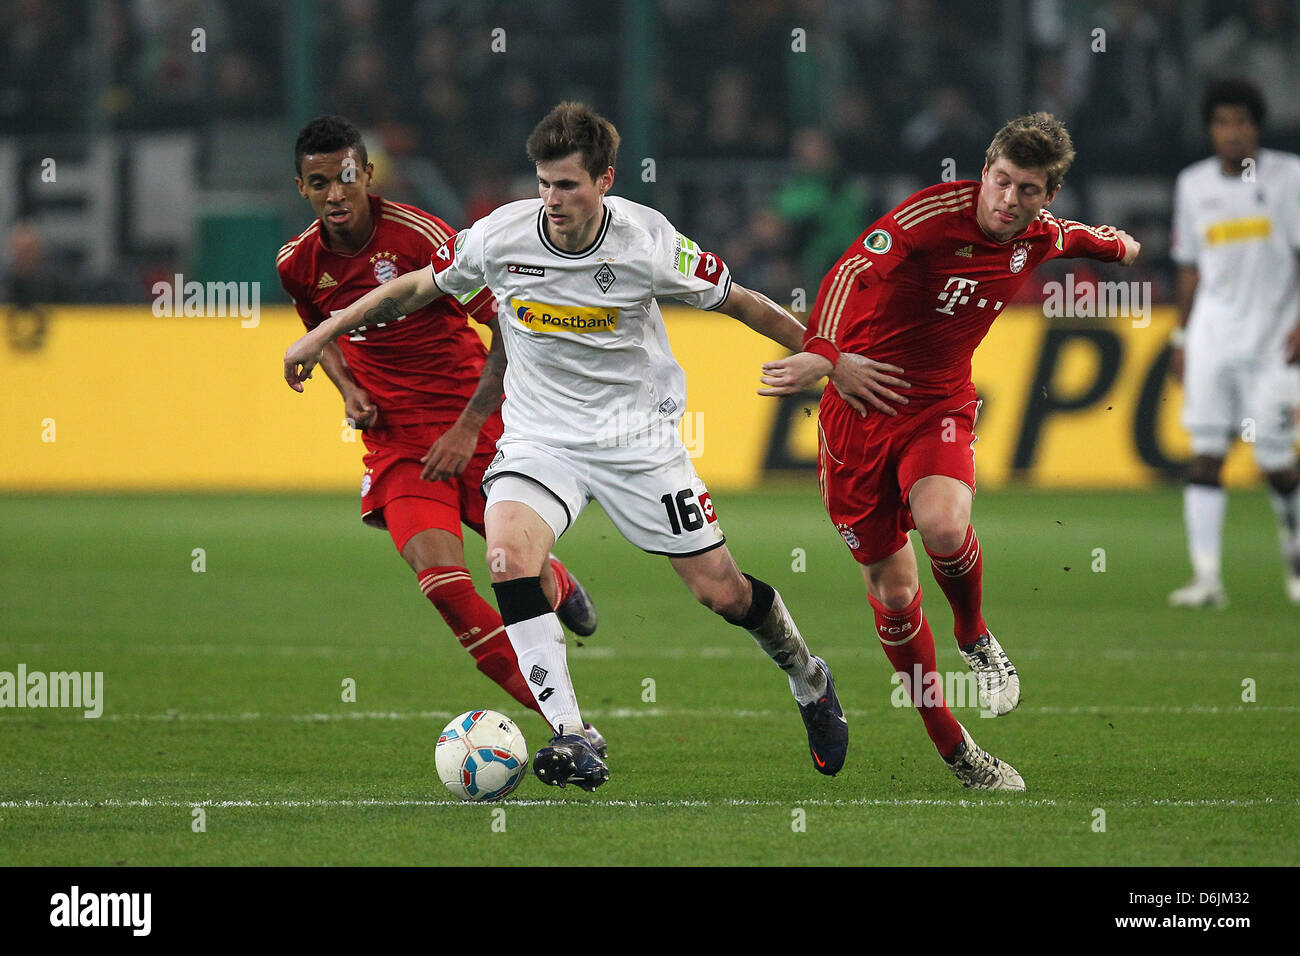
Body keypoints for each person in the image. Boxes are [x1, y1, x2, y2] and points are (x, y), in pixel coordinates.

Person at [284, 102, 857, 792]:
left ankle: (808, 677)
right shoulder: (501, 235)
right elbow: (415, 288)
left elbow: (743, 301)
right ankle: (571, 734)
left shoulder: (649, 243)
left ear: (605, 180)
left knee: (722, 592)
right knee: (506, 557)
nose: (552, 200)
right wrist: (323, 335)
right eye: (544, 183)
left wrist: (825, 355)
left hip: (635, 440)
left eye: (568, 186)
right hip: (538, 436)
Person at [760, 112, 1141, 790]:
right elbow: (850, 270)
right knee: (896, 592)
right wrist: (824, 356)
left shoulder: (1039, 235)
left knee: (943, 524)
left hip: (938, 403)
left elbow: (1085, 238)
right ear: (984, 170)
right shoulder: (930, 216)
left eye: (1028, 190)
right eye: (1001, 181)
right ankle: (955, 748)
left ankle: (974, 634)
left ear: (1047, 195)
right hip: (858, 411)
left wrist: (1122, 249)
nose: (1008, 200)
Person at [276, 115, 606, 753]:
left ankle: (556, 583)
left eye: (346, 177)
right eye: (319, 183)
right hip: (398, 444)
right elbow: (323, 329)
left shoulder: (423, 237)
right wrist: (348, 389)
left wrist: (469, 424)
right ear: (303, 189)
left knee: (518, 570)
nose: (336, 193)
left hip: (476, 428)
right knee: (448, 590)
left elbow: (507, 325)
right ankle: (571, 729)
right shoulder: (298, 264)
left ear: (368, 174)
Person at [1167, 78, 1300, 608]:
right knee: (1205, 455)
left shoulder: (1289, 177)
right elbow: (1189, 267)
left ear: (1257, 127)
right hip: (1211, 339)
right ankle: (1206, 578)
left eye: (1242, 122)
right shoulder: (1192, 185)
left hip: (1274, 341)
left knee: (1276, 462)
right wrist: (1181, 336)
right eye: (1223, 122)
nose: (1232, 132)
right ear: (1210, 130)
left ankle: (1294, 551)